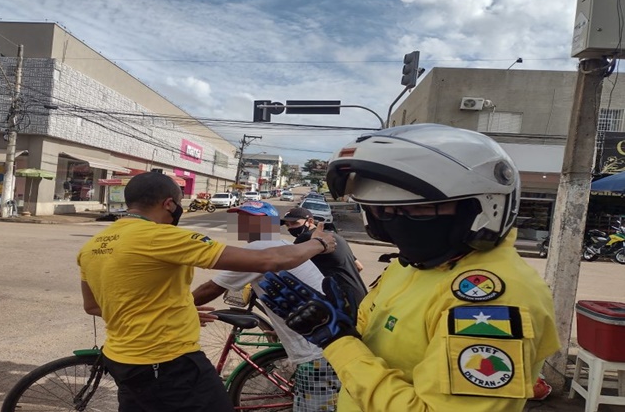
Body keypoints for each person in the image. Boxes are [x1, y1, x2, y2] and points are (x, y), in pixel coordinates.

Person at [259, 124, 560, 411]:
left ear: (481, 206)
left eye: (419, 208)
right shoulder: (411, 267)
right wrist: (342, 325)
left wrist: (339, 343)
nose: (396, 221)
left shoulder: (495, 299)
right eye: (384, 210)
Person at [76, 171, 337, 412]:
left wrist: (175, 313)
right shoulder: (163, 237)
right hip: (168, 361)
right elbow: (270, 260)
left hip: (120, 360)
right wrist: (319, 243)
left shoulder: (93, 246)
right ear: (169, 204)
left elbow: (93, 306)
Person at [192, 201, 341, 411]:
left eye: (250, 220)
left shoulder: (260, 248)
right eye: (241, 219)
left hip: (317, 353)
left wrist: (174, 307)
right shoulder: (283, 245)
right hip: (327, 344)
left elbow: (211, 289)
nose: (243, 224)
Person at [280, 207, 368, 305]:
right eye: (287, 225)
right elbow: (359, 266)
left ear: (310, 221)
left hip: (343, 301)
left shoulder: (306, 238)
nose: (290, 228)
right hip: (361, 296)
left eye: (294, 223)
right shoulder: (333, 236)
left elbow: (284, 261)